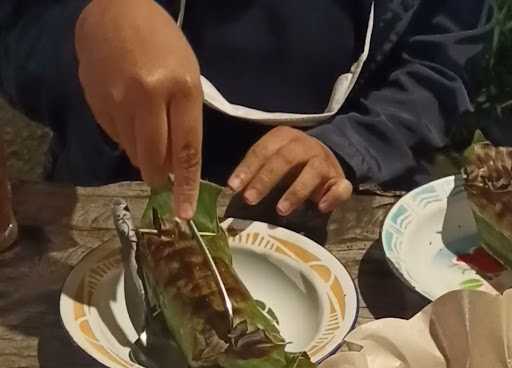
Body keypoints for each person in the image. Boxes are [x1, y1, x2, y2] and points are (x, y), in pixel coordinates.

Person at [0, 0, 493, 220]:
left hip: (341, 209)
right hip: (114, 193)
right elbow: (20, 27)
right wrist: (85, 20)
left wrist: (354, 145)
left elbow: (441, 65)